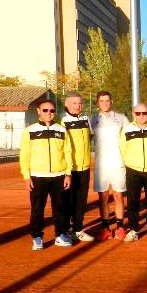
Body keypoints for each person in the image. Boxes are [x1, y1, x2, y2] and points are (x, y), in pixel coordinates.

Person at [20, 99, 73, 250]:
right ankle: (37, 237)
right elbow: (24, 155)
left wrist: (68, 174)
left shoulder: (62, 130)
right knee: (37, 209)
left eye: (52, 111)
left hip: (59, 175)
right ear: (38, 111)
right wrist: (26, 176)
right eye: (45, 110)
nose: (49, 113)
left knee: (60, 208)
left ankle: (61, 235)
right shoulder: (29, 130)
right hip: (37, 176)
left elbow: (68, 153)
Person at [90, 91, 130, 241]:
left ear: (111, 101)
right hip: (101, 166)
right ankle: (105, 228)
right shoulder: (92, 120)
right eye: (101, 101)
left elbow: (131, 134)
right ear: (97, 103)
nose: (105, 103)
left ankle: (120, 227)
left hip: (118, 164)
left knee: (119, 196)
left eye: (107, 100)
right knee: (103, 197)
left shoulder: (121, 118)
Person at [119, 103, 147, 242]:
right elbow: (122, 149)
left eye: (144, 113)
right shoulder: (127, 130)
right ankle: (133, 230)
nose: (141, 116)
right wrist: (129, 163)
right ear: (133, 114)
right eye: (138, 113)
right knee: (133, 202)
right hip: (133, 170)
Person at [61, 92, 94, 242]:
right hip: (69, 170)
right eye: (74, 103)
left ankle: (78, 229)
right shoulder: (62, 122)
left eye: (80, 103)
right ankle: (66, 232)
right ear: (67, 105)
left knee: (81, 201)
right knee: (68, 202)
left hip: (84, 168)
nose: (77, 105)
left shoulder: (86, 120)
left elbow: (90, 137)